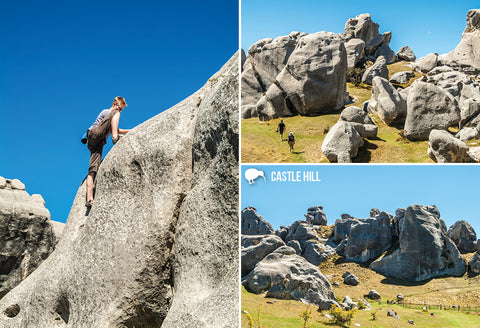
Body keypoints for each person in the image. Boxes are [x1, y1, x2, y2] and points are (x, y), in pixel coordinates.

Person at [85, 96, 130, 207]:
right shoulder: (107, 112)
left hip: (97, 143)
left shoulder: (111, 119)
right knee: (115, 115)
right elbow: (113, 128)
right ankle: (115, 138)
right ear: (114, 104)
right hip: (94, 133)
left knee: (93, 169)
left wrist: (130, 131)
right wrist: (116, 135)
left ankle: (89, 199)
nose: (120, 111)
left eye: (121, 110)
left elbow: (114, 128)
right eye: (119, 108)